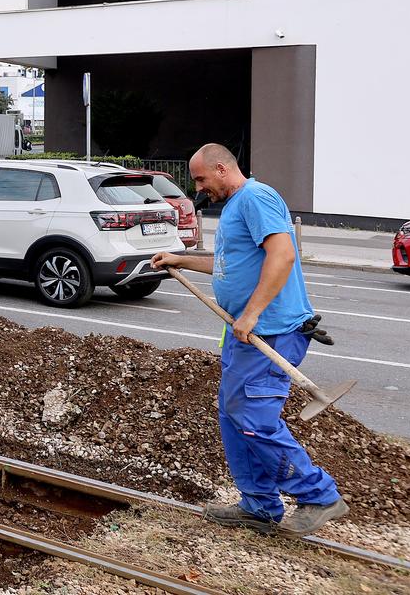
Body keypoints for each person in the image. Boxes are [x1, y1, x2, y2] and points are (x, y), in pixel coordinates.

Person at [151, 143, 346, 536]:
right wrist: (179, 259)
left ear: (222, 168)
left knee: (254, 418)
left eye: (202, 179)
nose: (199, 187)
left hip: (271, 330)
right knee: (233, 413)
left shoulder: (256, 197)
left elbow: (282, 254)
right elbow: (229, 266)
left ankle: (318, 494)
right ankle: (259, 504)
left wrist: (252, 312)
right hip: (246, 333)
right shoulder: (236, 207)